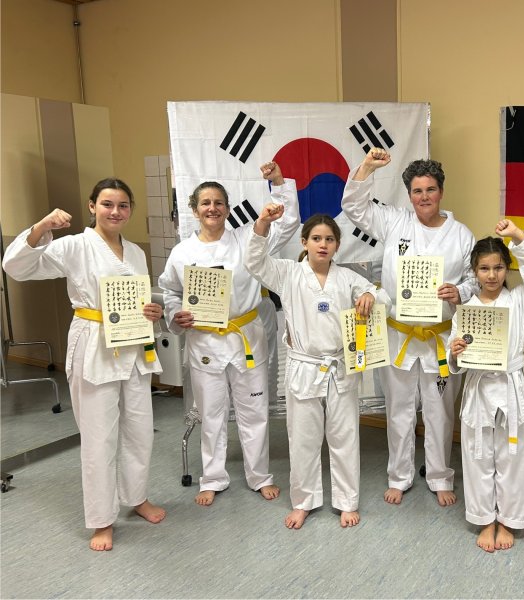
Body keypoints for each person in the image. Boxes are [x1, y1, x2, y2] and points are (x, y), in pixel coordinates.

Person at [2, 178, 166, 551]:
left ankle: (137, 497)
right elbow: (16, 267)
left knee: (140, 429)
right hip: (94, 342)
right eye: (107, 204)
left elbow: (139, 298)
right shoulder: (75, 245)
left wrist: (152, 312)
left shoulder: (135, 252)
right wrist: (42, 226)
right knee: (98, 436)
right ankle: (101, 519)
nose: (115, 212)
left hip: (133, 344)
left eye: (123, 205)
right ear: (92, 206)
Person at [159, 162, 299, 507]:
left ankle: (259, 475)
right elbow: (171, 292)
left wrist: (279, 183)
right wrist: (176, 315)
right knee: (212, 414)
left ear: (228, 208)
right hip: (205, 341)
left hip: (246, 336)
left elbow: (287, 224)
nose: (212, 208)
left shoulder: (246, 239)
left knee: (255, 412)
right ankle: (213, 478)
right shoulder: (182, 253)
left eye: (219, 202)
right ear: (194, 210)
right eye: (205, 203)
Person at [341, 148, 475, 507]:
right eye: (417, 191)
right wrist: (367, 167)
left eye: (430, 189)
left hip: (439, 338)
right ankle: (399, 476)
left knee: (439, 412)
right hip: (398, 335)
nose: (424, 197)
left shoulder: (462, 234)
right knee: (398, 410)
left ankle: (440, 476)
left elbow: (475, 278)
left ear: (441, 191)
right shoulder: (394, 222)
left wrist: (460, 291)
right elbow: (354, 208)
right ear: (409, 194)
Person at [244, 210, 389, 529]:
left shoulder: (348, 277)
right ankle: (303, 501)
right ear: (304, 242)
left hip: (341, 366)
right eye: (316, 238)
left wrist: (370, 294)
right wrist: (262, 224)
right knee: (303, 438)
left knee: (344, 436)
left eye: (329, 239)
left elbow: (383, 297)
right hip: (304, 366)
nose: (323, 244)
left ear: (337, 245)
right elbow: (254, 261)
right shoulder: (287, 273)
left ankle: (347, 501)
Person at [447, 219, 524, 552]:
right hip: (478, 388)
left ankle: (508, 520)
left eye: (498, 267)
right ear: (474, 271)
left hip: (510, 386)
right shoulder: (465, 310)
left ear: (507, 268)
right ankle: (484, 519)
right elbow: (453, 357)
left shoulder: (520, 300)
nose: (491, 275)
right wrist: (454, 352)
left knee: (512, 456)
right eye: (484, 268)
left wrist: (518, 235)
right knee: (477, 455)